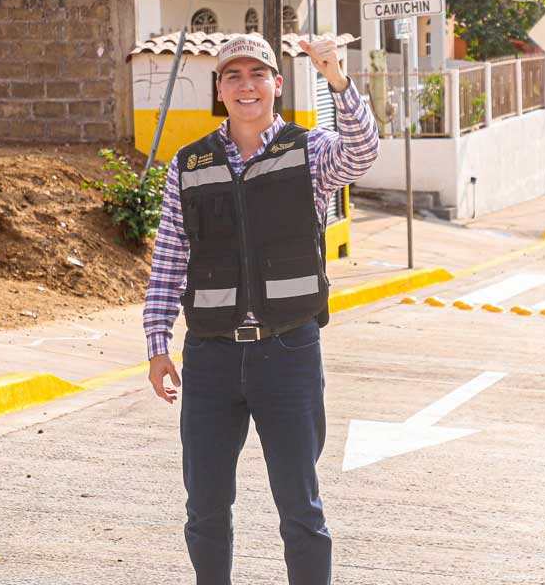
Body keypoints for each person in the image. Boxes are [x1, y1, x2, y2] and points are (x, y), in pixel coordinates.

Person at [144, 34, 379, 585]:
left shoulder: (312, 152)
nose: (246, 85)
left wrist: (337, 78)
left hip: (288, 350)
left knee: (300, 508)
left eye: (258, 74)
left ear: (277, 83)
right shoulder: (188, 163)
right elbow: (170, 256)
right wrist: (158, 343)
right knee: (204, 507)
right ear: (219, 90)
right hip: (210, 357)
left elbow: (363, 152)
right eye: (233, 76)